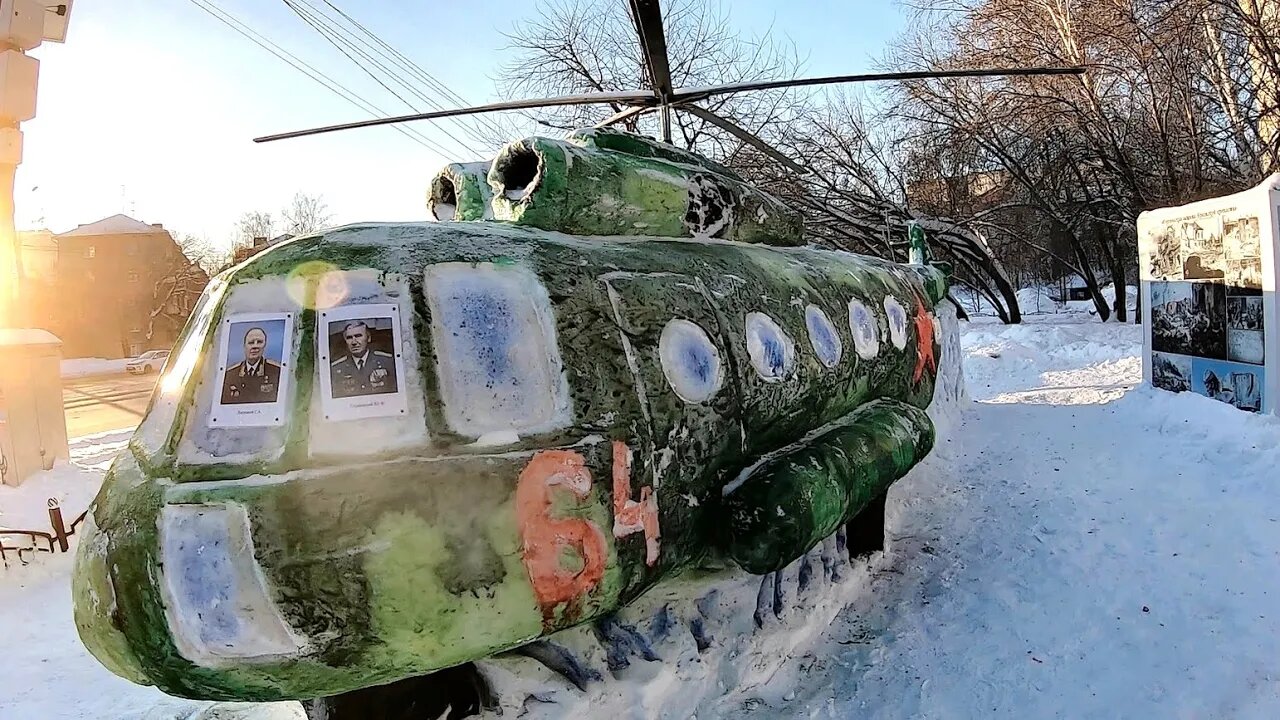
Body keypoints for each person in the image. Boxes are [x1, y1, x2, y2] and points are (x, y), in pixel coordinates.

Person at [330, 320, 398, 398]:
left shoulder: (387, 361)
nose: (354, 342)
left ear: (368, 338)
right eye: (349, 338)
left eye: (358, 336)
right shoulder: (337, 368)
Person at [220, 326, 282, 404]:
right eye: (251, 342)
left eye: (259, 342)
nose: (255, 346)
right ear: (244, 346)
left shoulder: (277, 371)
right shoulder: (230, 375)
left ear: (264, 345)